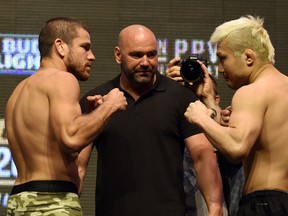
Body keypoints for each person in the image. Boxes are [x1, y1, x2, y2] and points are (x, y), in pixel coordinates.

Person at [80, 24, 223, 216]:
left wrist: (215, 208)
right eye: (137, 55)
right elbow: (79, 165)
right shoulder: (97, 100)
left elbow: (202, 156)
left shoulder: (180, 98)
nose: (146, 62)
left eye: (152, 55)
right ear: (118, 55)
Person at [5, 17, 127, 215]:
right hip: (51, 202)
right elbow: (71, 138)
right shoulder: (62, 79)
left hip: (19, 201)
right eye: (85, 47)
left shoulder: (18, 92)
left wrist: (90, 116)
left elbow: (70, 169)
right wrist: (110, 106)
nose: (92, 56)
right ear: (60, 46)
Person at [184, 15, 288, 216]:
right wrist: (208, 99)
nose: (221, 69)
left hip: (264, 206)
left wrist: (200, 117)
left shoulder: (252, 91)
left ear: (249, 57)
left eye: (223, 58)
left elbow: (236, 147)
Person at [166, 57, 244, 215]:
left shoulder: (228, 126)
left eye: (197, 99)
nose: (193, 103)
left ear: (217, 100)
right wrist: (167, 92)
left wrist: (207, 98)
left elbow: (231, 150)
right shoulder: (169, 127)